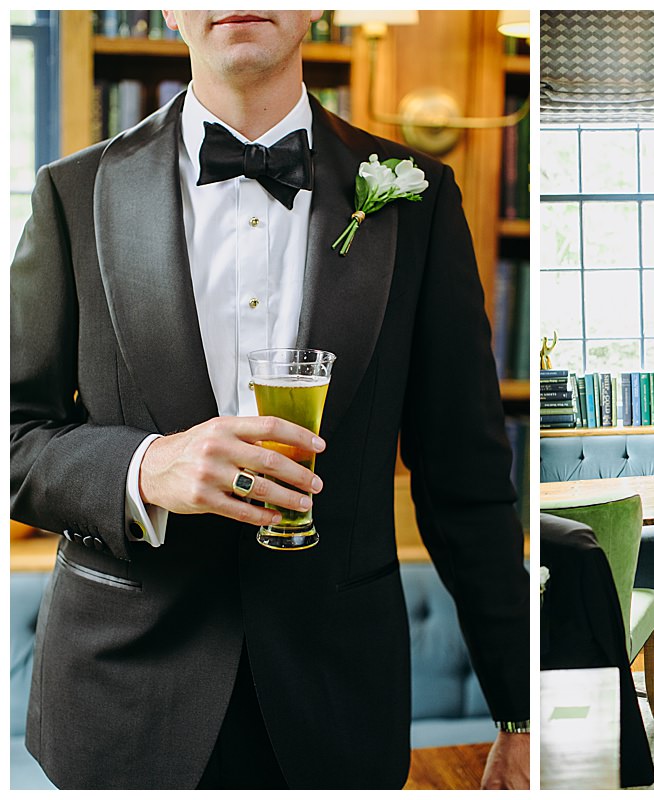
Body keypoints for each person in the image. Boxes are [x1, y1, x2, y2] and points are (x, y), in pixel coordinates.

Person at [10, 11, 529, 789]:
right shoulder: (70, 191)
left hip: (339, 703)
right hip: (119, 705)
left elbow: (468, 482)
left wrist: (520, 709)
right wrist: (145, 468)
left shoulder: (418, 197)